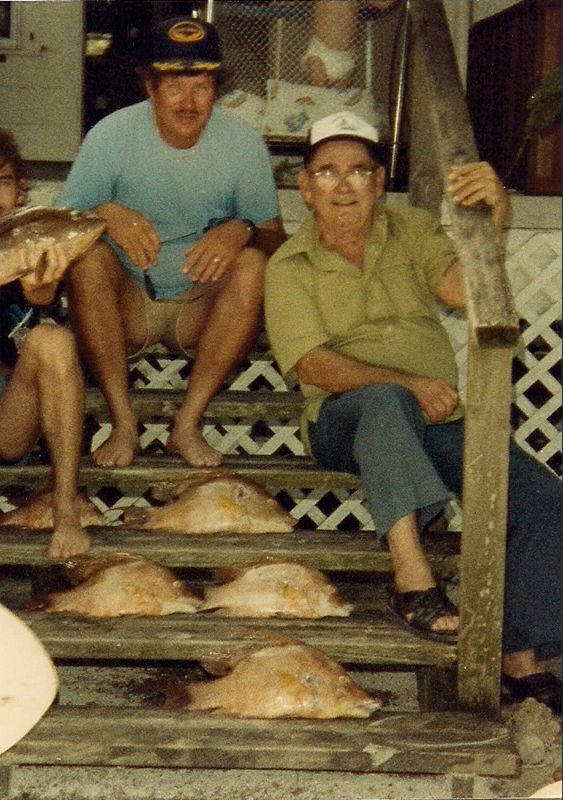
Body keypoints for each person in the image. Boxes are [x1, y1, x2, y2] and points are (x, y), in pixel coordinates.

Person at [265, 111, 562, 712]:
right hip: (343, 421)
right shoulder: (287, 266)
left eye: (358, 171)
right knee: (384, 401)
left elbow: (462, 291)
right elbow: (313, 366)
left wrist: (494, 214)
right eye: (327, 172)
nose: (343, 185)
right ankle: (412, 581)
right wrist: (408, 383)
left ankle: (518, 656)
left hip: (436, 419)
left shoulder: (411, 230)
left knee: (539, 496)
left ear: (379, 182)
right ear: (305, 187)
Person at [57, 16, 286, 469]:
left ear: (217, 89)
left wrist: (242, 228)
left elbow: (275, 238)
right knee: (87, 260)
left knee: (253, 267)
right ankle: (123, 422)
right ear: (150, 87)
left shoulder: (243, 144)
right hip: (126, 307)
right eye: (174, 86)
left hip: (200, 307)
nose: (188, 101)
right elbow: (59, 227)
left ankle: (186, 424)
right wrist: (103, 214)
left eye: (201, 86)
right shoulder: (110, 135)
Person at [0, 119, 88, 560]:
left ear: (21, 190)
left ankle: (65, 509)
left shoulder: (35, 237)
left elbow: (37, 318)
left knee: (54, 340)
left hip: (8, 419)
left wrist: (41, 293)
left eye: (3, 182)